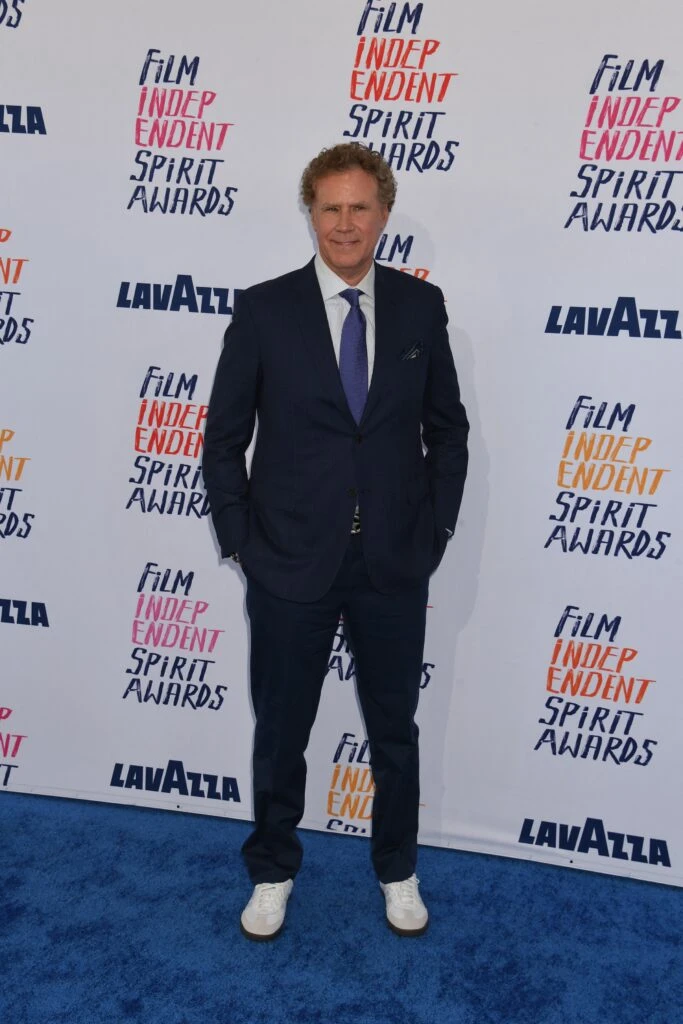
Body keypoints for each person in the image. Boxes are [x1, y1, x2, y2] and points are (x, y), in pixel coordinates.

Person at [203, 142, 469, 941]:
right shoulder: (263, 309)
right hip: (288, 562)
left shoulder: (422, 309)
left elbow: (445, 432)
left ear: (383, 215)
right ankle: (273, 868)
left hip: (391, 560)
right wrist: (241, 542)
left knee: (395, 730)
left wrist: (435, 531)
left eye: (359, 208)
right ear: (309, 213)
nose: (344, 224)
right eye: (329, 207)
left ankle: (397, 869)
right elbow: (224, 439)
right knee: (281, 729)